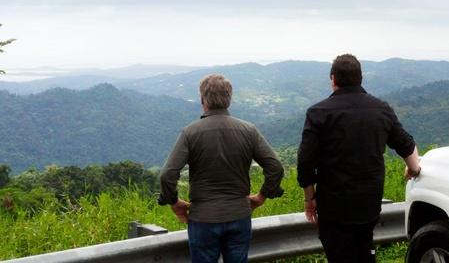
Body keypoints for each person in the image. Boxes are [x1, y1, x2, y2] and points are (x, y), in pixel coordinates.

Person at [297, 54, 421, 263]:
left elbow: (305, 161)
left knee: (338, 254)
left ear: (333, 79)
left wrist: (310, 198)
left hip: (333, 204)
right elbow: (406, 145)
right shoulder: (380, 109)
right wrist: (414, 169)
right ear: (360, 78)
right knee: (364, 250)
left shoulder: (318, 112)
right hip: (368, 203)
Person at [158, 73, 284, 263]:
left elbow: (167, 175)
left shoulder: (190, 133)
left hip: (203, 219)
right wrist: (261, 197)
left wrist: (175, 203)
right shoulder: (248, 130)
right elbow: (275, 167)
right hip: (239, 215)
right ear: (229, 100)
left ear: (203, 100)